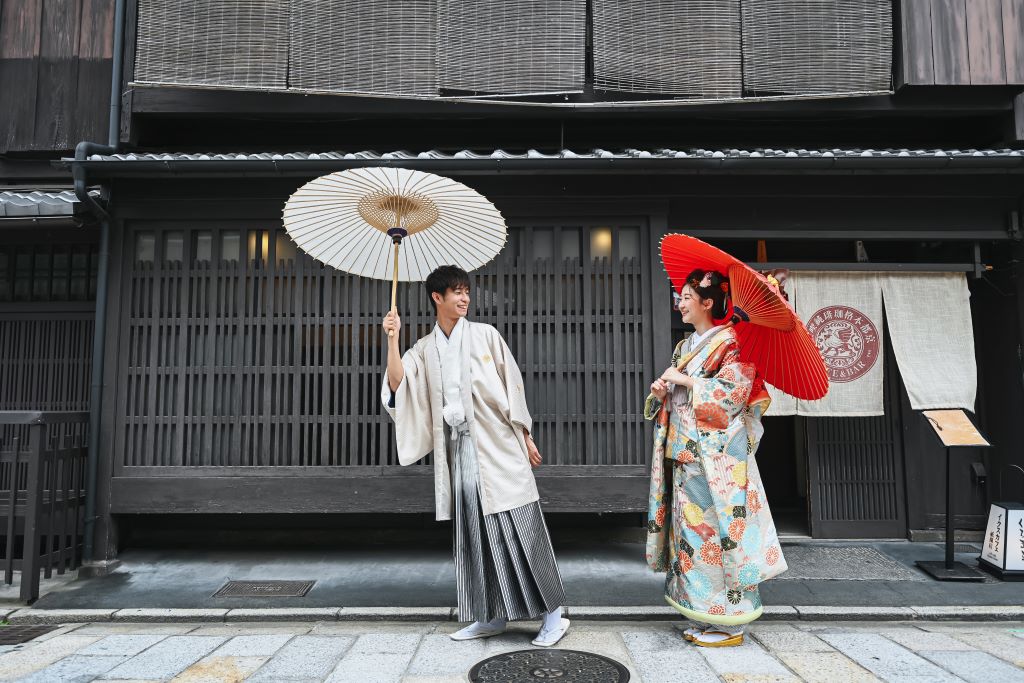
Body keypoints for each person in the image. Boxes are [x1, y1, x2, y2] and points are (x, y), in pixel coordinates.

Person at [382, 265, 569, 646]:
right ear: (438, 297)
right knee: (474, 532)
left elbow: (512, 387)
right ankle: (490, 615)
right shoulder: (423, 348)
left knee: (519, 525)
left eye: (467, 291)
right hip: (461, 447)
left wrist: (525, 434)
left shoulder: (486, 336)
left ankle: (554, 616)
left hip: (499, 444)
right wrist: (392, 339)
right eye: (457, 292)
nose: (465, 298)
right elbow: (399, 387)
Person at [644, 269, 787, 647]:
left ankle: (732, 622)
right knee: (692, 538)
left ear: (708, 303)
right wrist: (662, 390)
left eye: (686, 297)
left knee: (720, 536)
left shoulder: (731, 342)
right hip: (687, 455)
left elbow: (734, 394)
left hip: (716, 462)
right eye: (680, 297)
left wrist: (688, 382)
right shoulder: (686, 345)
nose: (680, 303)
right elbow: (676, 395)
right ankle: (705, 615)